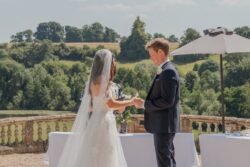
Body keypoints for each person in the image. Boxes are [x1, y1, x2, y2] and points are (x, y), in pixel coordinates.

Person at [50, 49, 138, 167]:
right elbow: (110, 103)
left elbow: (100, 103)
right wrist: (131, 102)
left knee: (94, 154)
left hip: (96, 120)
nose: (114, 63)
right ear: (107, 63)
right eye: (113, 60)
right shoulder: (103, 80)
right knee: (106, 153)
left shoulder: (93, 80)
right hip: (104, 121)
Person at [135, 38, 180, 167]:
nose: (151, 58)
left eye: (152, 54)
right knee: (168, 159)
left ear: (160, 52)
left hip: (164, 125)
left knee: (164, 162)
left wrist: (144, 104)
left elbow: (167, 101)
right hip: (164, 125)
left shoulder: (168, 71)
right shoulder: (166, 70)